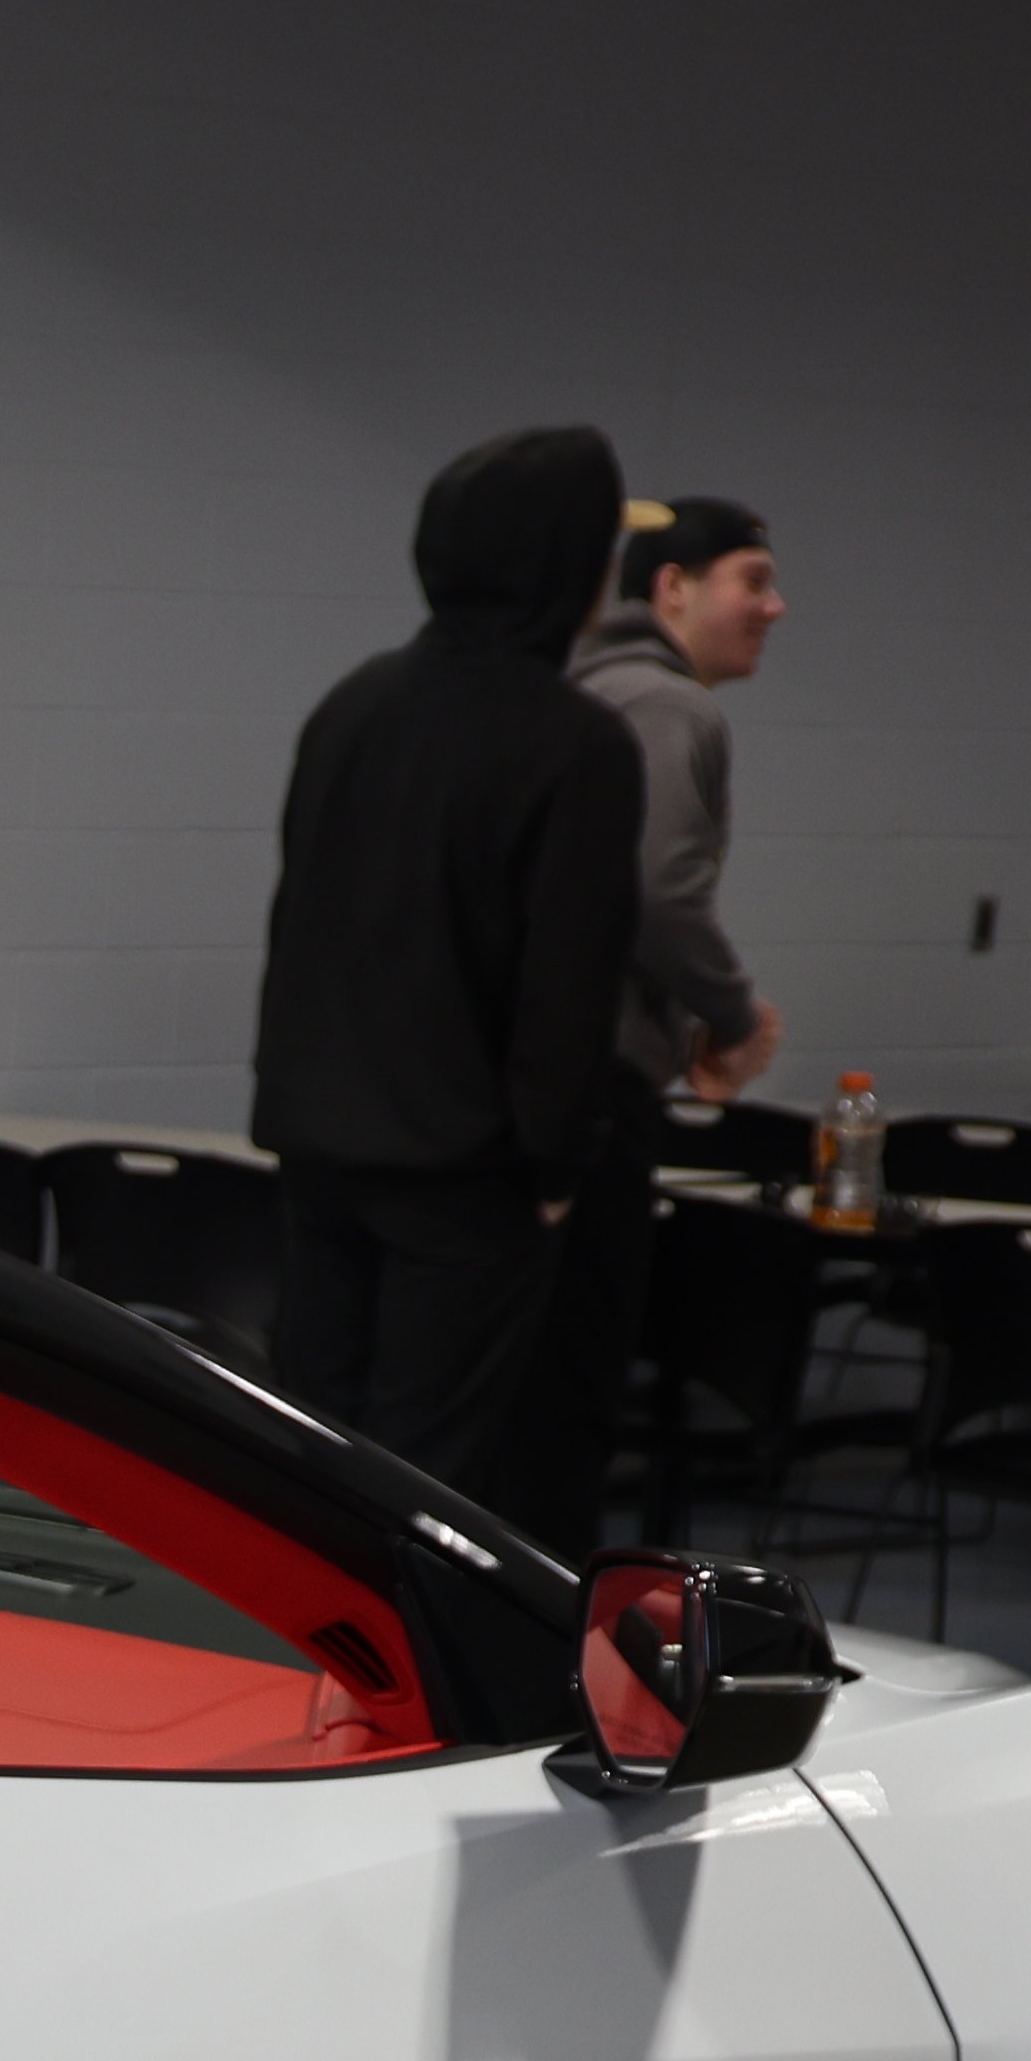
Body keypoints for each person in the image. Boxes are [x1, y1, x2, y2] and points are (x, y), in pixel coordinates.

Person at [249, 425, 648, 1531]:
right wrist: (557, 1160)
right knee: (429, 1473)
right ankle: (408, 1698)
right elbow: (566, 979)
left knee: (311, 1443)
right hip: (464, 1167)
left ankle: (294, 1675)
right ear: (568, 563)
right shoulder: (574, 744)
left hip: (318, 1138)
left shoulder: (352, 704)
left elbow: (301, 917)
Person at [566, 492, 784, 1537]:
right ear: (670, 587)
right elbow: (655, 892)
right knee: (576, 1373)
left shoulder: (565, 690)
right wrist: (731, 1011)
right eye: (752, 579)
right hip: (594, 1086)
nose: (774, 607)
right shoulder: (668, 709)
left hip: (521, 1080)